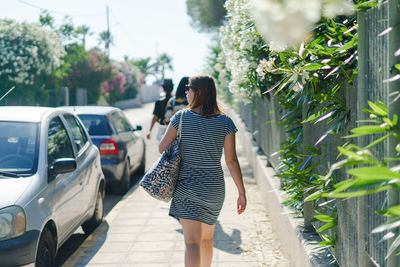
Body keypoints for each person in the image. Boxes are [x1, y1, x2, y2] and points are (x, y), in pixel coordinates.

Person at [159, 75, 246, 267]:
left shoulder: (180, 118)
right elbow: (231, 160)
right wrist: (241, 192)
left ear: (197, 92)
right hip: (213, 188)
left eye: (188, 88)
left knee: (191, 243)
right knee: (207, 240)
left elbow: (161, 147)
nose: (186, 92)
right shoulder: (225, 122)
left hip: (186, 187)